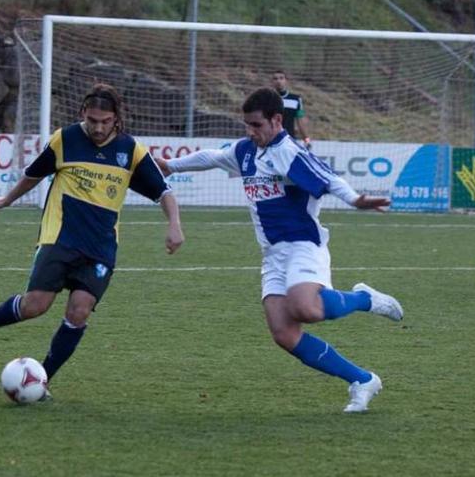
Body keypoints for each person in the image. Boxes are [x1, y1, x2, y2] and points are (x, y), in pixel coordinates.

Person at [155, 88, 403, 413]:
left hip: (303, 244)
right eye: (246, 125)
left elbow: (328, 180)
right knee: (284, 334)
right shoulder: (245, 151)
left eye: (256, 125)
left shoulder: (289, 153)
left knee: (306, 308)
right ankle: (362, 380)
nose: (250, 132)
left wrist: (356, 200)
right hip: (272, 254)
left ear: (276, 120)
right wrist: (171, 166)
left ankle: (365, 299)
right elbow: (213, 157)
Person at [0, 83, 184, 399]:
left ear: (117, 119)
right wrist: (6, 200)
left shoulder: (130, 151)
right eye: (92, 120)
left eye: (105, 122)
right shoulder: (66, 140)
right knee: (35, 306)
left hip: (100, 249)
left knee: (79, 311)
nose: (98, 128)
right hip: (59, 238)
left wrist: (174, 225)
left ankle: (42, 381)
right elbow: (33, 174)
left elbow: (164, 192)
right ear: (83, 113)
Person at [271, 70, 312, 149]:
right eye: (275, 79)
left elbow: (301, 122)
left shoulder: (296, 99)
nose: (278, 81)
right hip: (271, 140)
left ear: (286, 81)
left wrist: (307, 140)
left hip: (289, 140)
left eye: (281, 78)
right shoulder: (267, 98)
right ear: (272, 82)